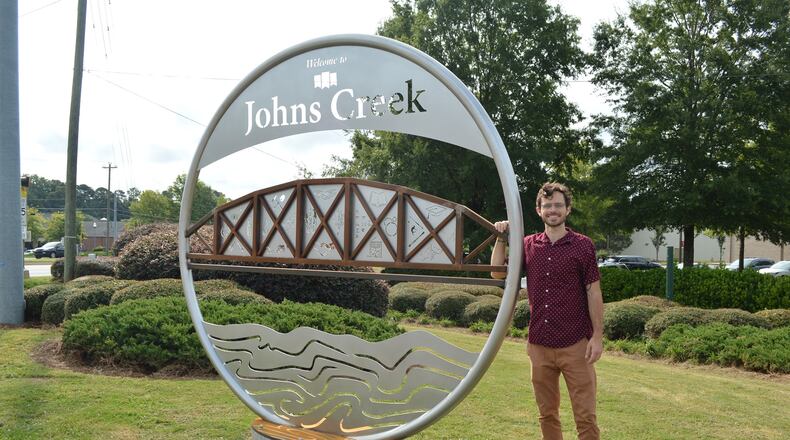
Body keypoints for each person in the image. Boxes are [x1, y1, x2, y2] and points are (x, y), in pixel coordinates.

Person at [491, 182, 603, 440]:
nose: (553, 210)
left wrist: (597, 337)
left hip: (576, 344)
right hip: (539, 344)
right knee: (547, 414)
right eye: (548, 205)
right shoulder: (527, 245)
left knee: (585, 416)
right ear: (539, 210)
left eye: (558, 205)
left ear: (568, 209)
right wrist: (501, 237)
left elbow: (593, 292)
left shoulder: (583, 246)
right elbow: (497, 273)